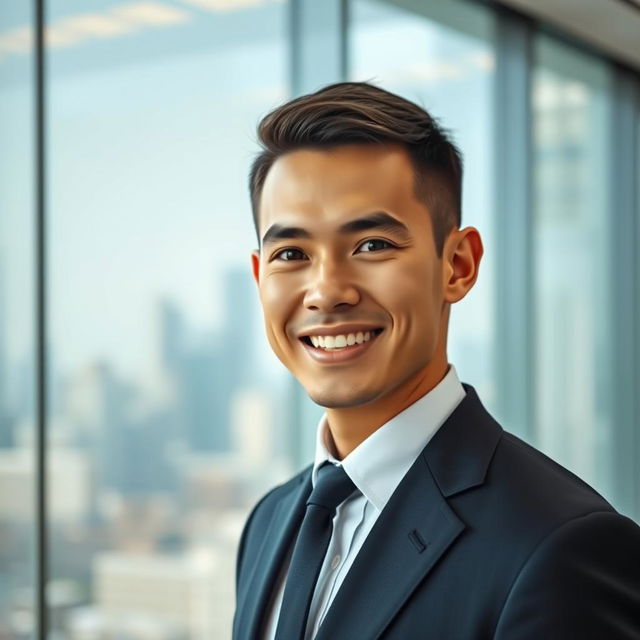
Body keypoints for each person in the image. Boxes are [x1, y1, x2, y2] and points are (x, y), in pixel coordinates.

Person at [232, 81, 640, 640]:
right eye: (292, 254)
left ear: (458, 265)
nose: (326, 292)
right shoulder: (269, 522)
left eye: (372, 245)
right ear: (260, 280)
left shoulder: (560, 545)